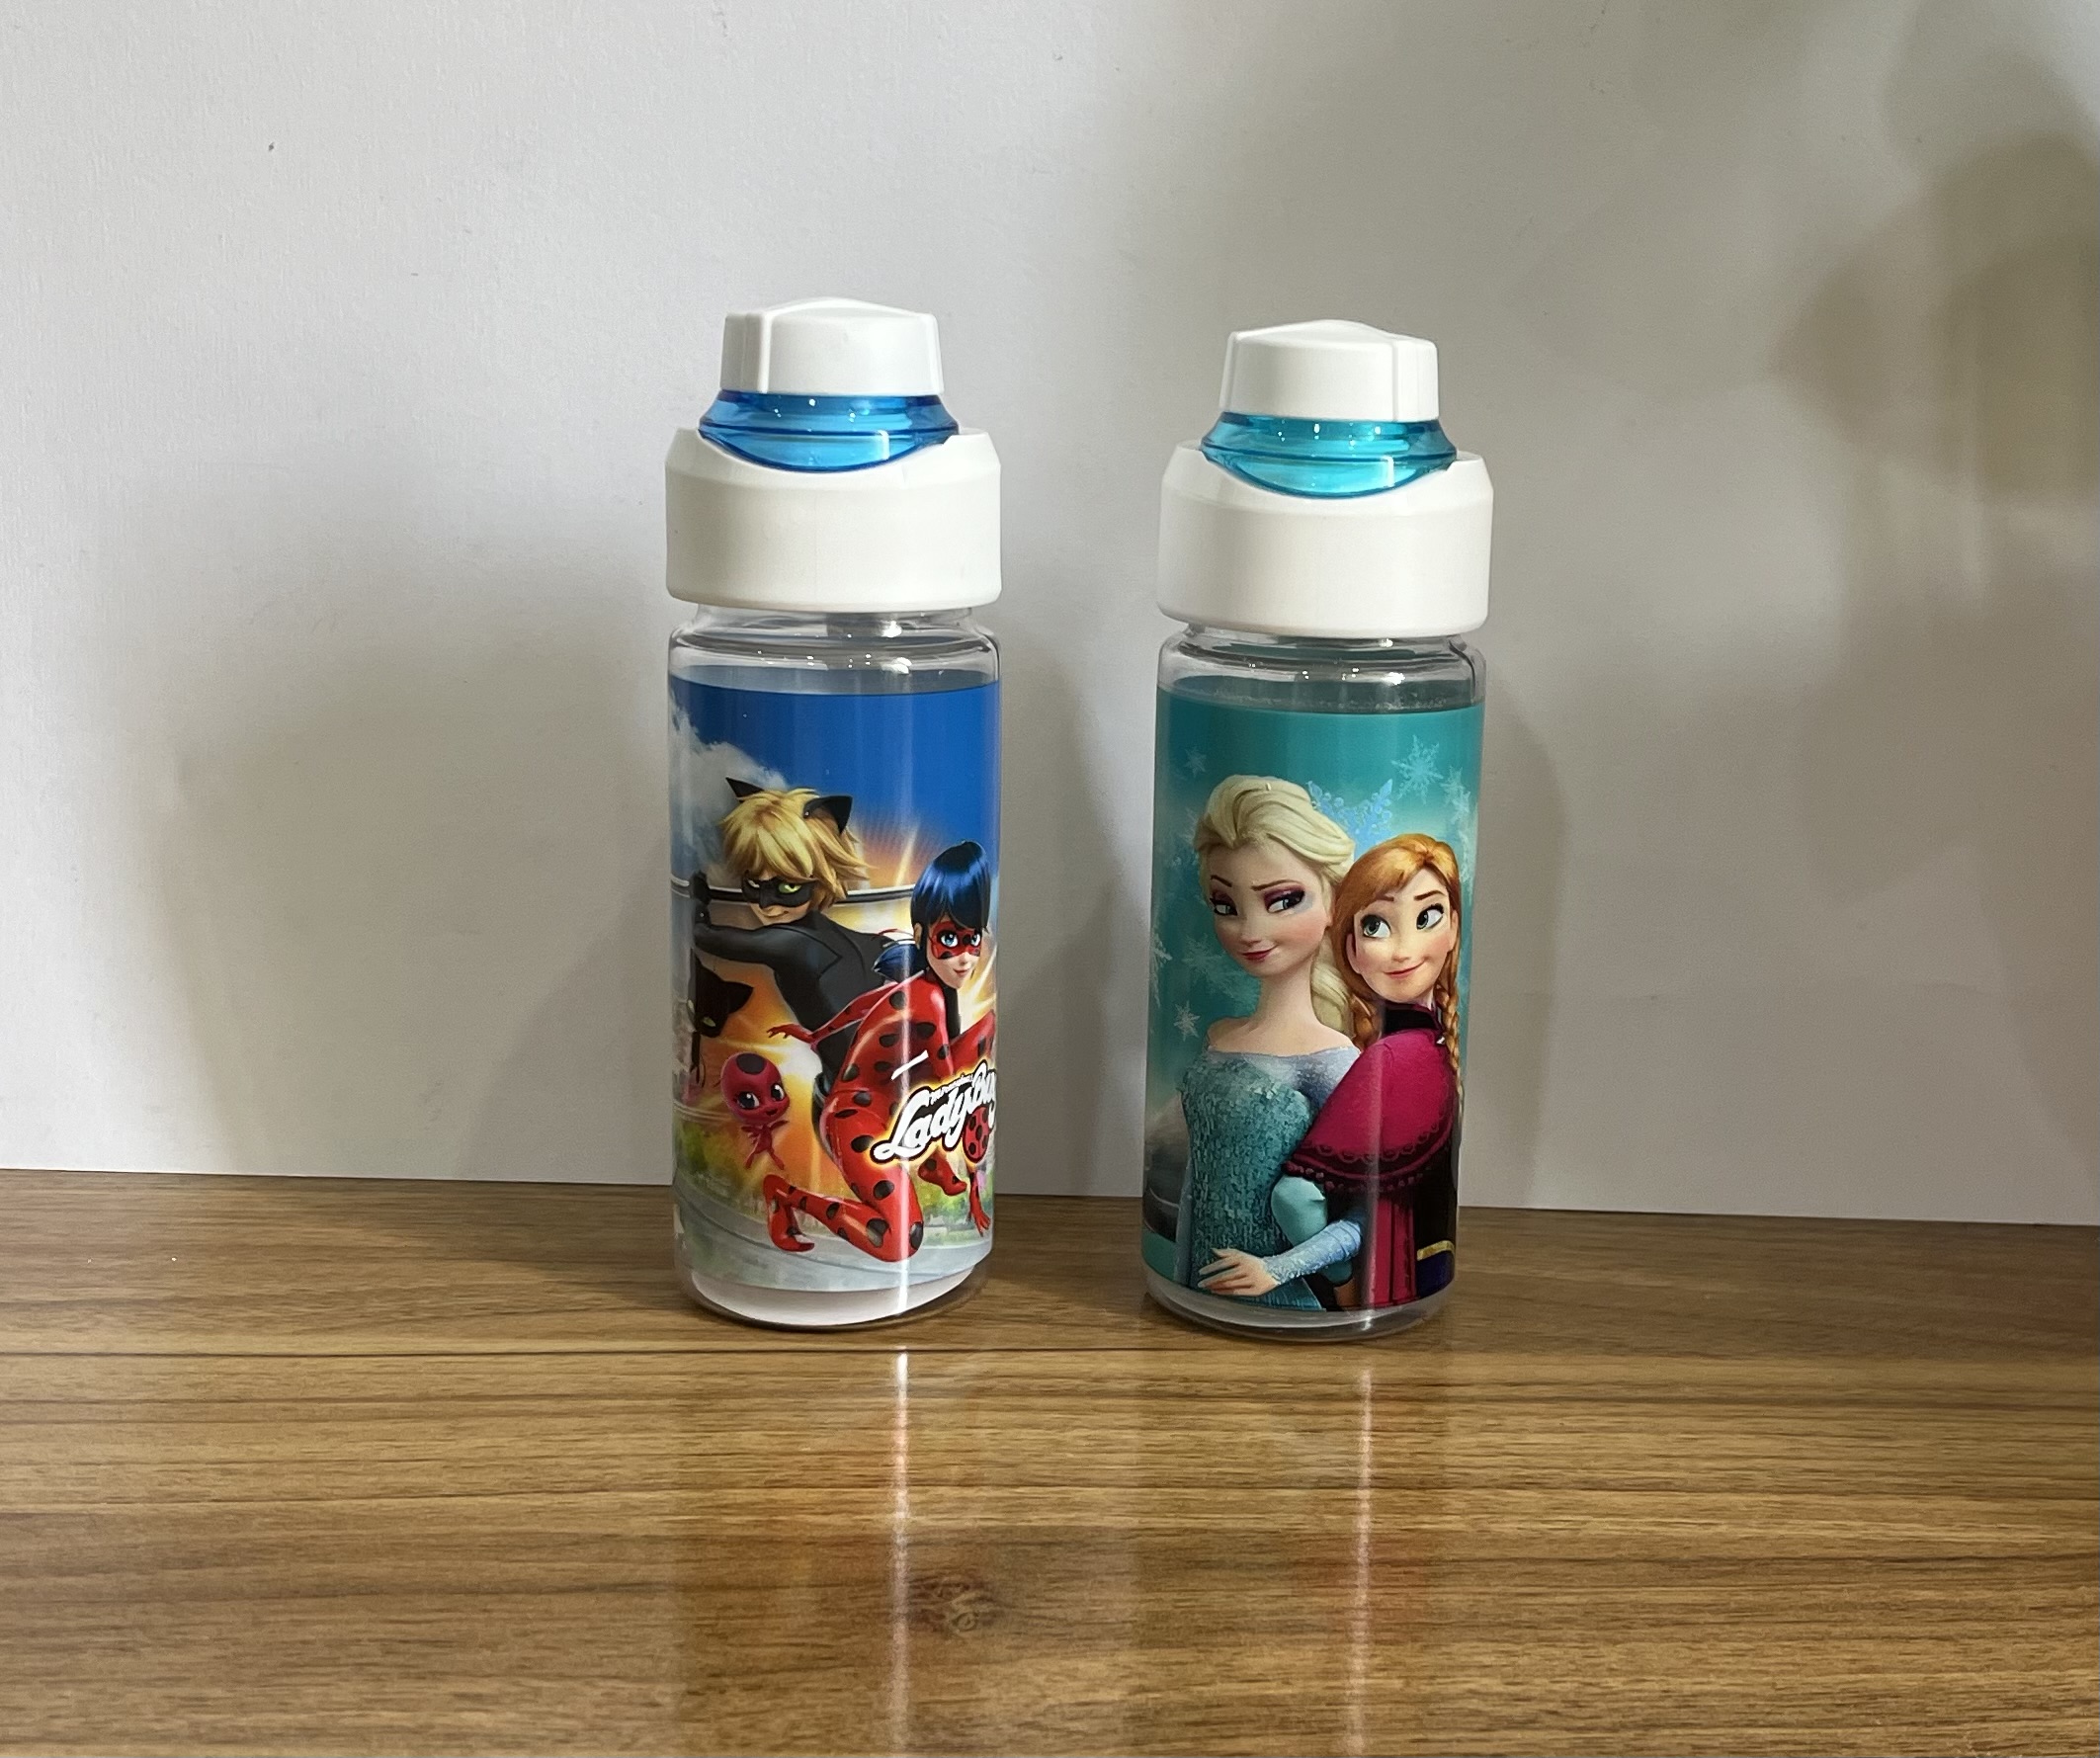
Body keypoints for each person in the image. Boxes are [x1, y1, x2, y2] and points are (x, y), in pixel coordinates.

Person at [1159, 777, 1366, 1310]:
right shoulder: (1220, 1035)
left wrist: (1277, 1268)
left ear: (1334, 901)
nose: (1250, 931)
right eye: (1226, 905)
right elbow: (1197, 1182)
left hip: (1280, 1295)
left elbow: (1364, 1217)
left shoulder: (1332, 1061)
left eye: (1284, 900)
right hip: (1198, 1284)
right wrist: (1179, 1274)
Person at [761, 843, 996, 1260]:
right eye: (948, 938)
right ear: (921, 935)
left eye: (972, 939)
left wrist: (818, 1034)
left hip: (890, 1101)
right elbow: (951, 1085)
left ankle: (930, 1163)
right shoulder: (930, 1000)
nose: (964, 958)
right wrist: (967, 1174)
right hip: (854, 1115)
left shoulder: (921, 986)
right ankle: (785, 1195)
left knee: (984, 1032)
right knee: (900, 1239)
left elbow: (864, 1006)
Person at [1281, 834, 1465, 1306]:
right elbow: (1298, 1196)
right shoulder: (1421, 1051)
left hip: (1393, 1278)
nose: (1403, 951)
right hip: (1417, 1275)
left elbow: (1295, 1198)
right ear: (1352, 951)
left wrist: (1341, 1283)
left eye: (1427, 917)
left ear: (1454, 927)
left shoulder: (1395, 1056)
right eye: (1377, 926)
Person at [684, 781, 896, 1105]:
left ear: (822, 879)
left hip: (851, 1098)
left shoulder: (790, 944)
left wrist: (698, 898)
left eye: (786, 888)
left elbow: (704, 936)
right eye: (754, 884)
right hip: (878, 1086)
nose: (766, 904)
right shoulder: (857, 941)